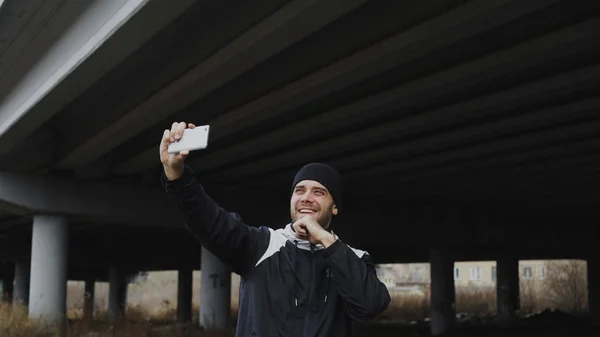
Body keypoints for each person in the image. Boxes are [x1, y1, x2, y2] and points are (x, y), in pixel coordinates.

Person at [159, 122, 391, 337]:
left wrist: (323, 239)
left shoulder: (355, 259)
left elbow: (370, 305)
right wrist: (177, 176)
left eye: (319, 192)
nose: (306, 198)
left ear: (335, 207)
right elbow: (209, 221)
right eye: (299, 190)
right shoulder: (262, 245)